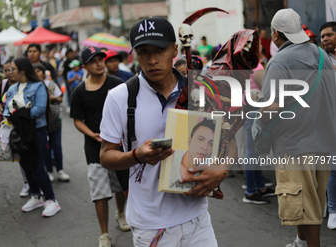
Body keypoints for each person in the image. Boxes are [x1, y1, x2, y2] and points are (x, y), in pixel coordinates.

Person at [100, 16, 235, 246]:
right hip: (150, 227)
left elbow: (228, 141)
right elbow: (106, 156)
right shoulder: (119, 97)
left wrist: (222, 169)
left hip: (197, 219)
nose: (152, 60)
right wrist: (136, 156)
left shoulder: (201, 91)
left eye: (160, 50)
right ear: (134, 55)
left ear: (174, 50)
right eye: (143, 51)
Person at [260, 9, 336, 247]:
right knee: (313, 199)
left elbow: (269, 108)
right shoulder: (323, 56)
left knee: (305, 206)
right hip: (324, 141)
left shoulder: (279, 61)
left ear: (275, 34)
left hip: (295, 144)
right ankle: (301, 242)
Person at [70, 46, 130, 247]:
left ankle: (121, 213)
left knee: (121, 186)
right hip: (94, 149)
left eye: (101, 59)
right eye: (94, 60)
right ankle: (104, 234)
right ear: (85, 66)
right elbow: (77, 120)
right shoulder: (79, 91)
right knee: (100, 192)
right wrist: (92, 134)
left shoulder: (118, 84)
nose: (99, 63)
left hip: (119, 145)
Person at [3, 57, 61, 217]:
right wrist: (17, 115)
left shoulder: (38, 86)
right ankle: (35, 196)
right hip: (19, 134)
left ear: (22, 70)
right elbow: (7, 111)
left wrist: (19, 115)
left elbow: (40, 109)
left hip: (37, 131)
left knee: (37, 166)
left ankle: (51, 200)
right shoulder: (12, 89)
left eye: (13, 69)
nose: (10, 72)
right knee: (25, 166)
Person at [242, 62, 275, 205]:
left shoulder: (243, 64)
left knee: (255, 151)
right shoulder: (254, 66)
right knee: (252, 152)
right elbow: (268, 87)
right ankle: (250, 191)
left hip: (248, 107)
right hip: (254, 109)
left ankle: (260, 187)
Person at [33, 63, 70, 182]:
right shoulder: (31, 87)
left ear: (44, 74)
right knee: (45, 147)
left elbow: (60, 98)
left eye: (38, 71)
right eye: (34, 71)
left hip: (54, 120)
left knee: (56, 145)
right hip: (40, 123)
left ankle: (60, 170)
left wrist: (51, 98)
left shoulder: (51, 84)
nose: (36, 73)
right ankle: (49, 171)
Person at [0, 57, 30, 197]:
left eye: (11, 70)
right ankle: (27, 183)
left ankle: (37, 183)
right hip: (10, 125)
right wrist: (1, 109)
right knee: (20, 154)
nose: (8, 73)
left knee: (32, 155)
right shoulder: (4, 83)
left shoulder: (25, 84)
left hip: (25, 125)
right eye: (6, 70)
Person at [320, 21, 336, 230]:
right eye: (323, 36)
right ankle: (332, 209)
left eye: (329, 35)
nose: (325, 39)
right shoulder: (320, 59)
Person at [170, 119, 215, 189]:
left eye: (211, 143)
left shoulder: (210, 169)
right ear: (189, 141)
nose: (205, 147)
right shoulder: (171, 158)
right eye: (200, 139)